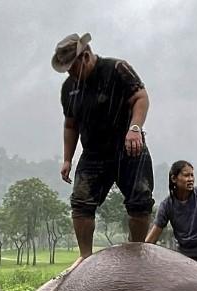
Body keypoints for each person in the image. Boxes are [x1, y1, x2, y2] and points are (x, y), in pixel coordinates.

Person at [52, 32, 154, 268]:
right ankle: (85, 257)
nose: (70, 74)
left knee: (139, 200)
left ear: (85, 56)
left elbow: (140, 97)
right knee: (80, 201)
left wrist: (135, 128)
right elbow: (70, 125)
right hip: (94, 152)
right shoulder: (69, 88)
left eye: (72, 68)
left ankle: (137, 250)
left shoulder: (117, 69)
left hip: (128, 146)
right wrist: (67, 159)